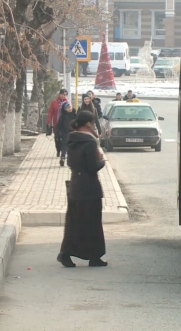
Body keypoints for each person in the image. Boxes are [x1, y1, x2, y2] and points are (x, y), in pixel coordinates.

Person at [57, 111, 108, 268]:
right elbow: (93, 166)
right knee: (92, 223)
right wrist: (102, 161)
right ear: (88, 124)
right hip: (89, 187)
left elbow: (72, 163)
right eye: (92, 123)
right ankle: (94, 257)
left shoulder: (72, 139)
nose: (94, 126)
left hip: (75, 185)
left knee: (74, 222)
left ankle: (66, 254)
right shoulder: (90, 142)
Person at [47, 89, 69, 157]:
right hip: (56, 124)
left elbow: (70, 113)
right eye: (62, 94)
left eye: (65, 95)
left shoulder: (68, 103)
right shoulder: (54, 103)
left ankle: (63, 151)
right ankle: (58, 150)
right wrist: (49, 122)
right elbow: (50, 112)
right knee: (57, 138)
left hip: (65, 124)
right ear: (59, 94)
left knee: (64, 138)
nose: (63, 96)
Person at [57, 102, 77, 167]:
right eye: (68, 108)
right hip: (65, 133)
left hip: (73, 133)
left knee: (72, 147)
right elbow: (59, 126)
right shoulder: (62, 116)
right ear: (65, 109)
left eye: (70, 107)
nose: (69, 108)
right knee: (64, 146)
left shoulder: (75, 114)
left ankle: (71, 160)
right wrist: (57, 135)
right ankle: (62, 157)